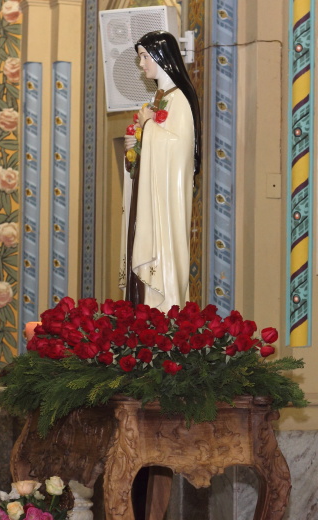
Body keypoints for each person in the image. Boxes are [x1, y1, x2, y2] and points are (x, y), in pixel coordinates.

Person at [120, 30, 202, 310]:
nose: (142, 64)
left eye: (145, 57)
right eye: (140, 57)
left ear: (162, 57)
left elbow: (180, 149)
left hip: (167, 200)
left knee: (164, 255)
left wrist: (148, 128)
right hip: (154, 196)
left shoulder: (180, 98)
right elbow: (157, 144)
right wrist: (138, 142)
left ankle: (165, 308)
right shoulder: (160, 97)